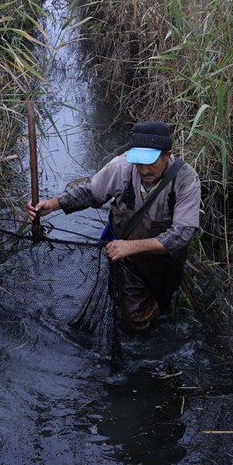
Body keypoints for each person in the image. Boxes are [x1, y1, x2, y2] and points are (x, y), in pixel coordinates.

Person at [26, 121, 201, 331]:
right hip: (125, 258)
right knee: (133, 319)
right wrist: (53, 204)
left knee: (164, 304)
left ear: (166, 155)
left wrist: (132, 246)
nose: (144, 170)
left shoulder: (186, 179)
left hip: (166, 261)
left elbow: (182, 234)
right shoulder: (121, 167)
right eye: (139, 162)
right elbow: (91, 192)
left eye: (150, 162)